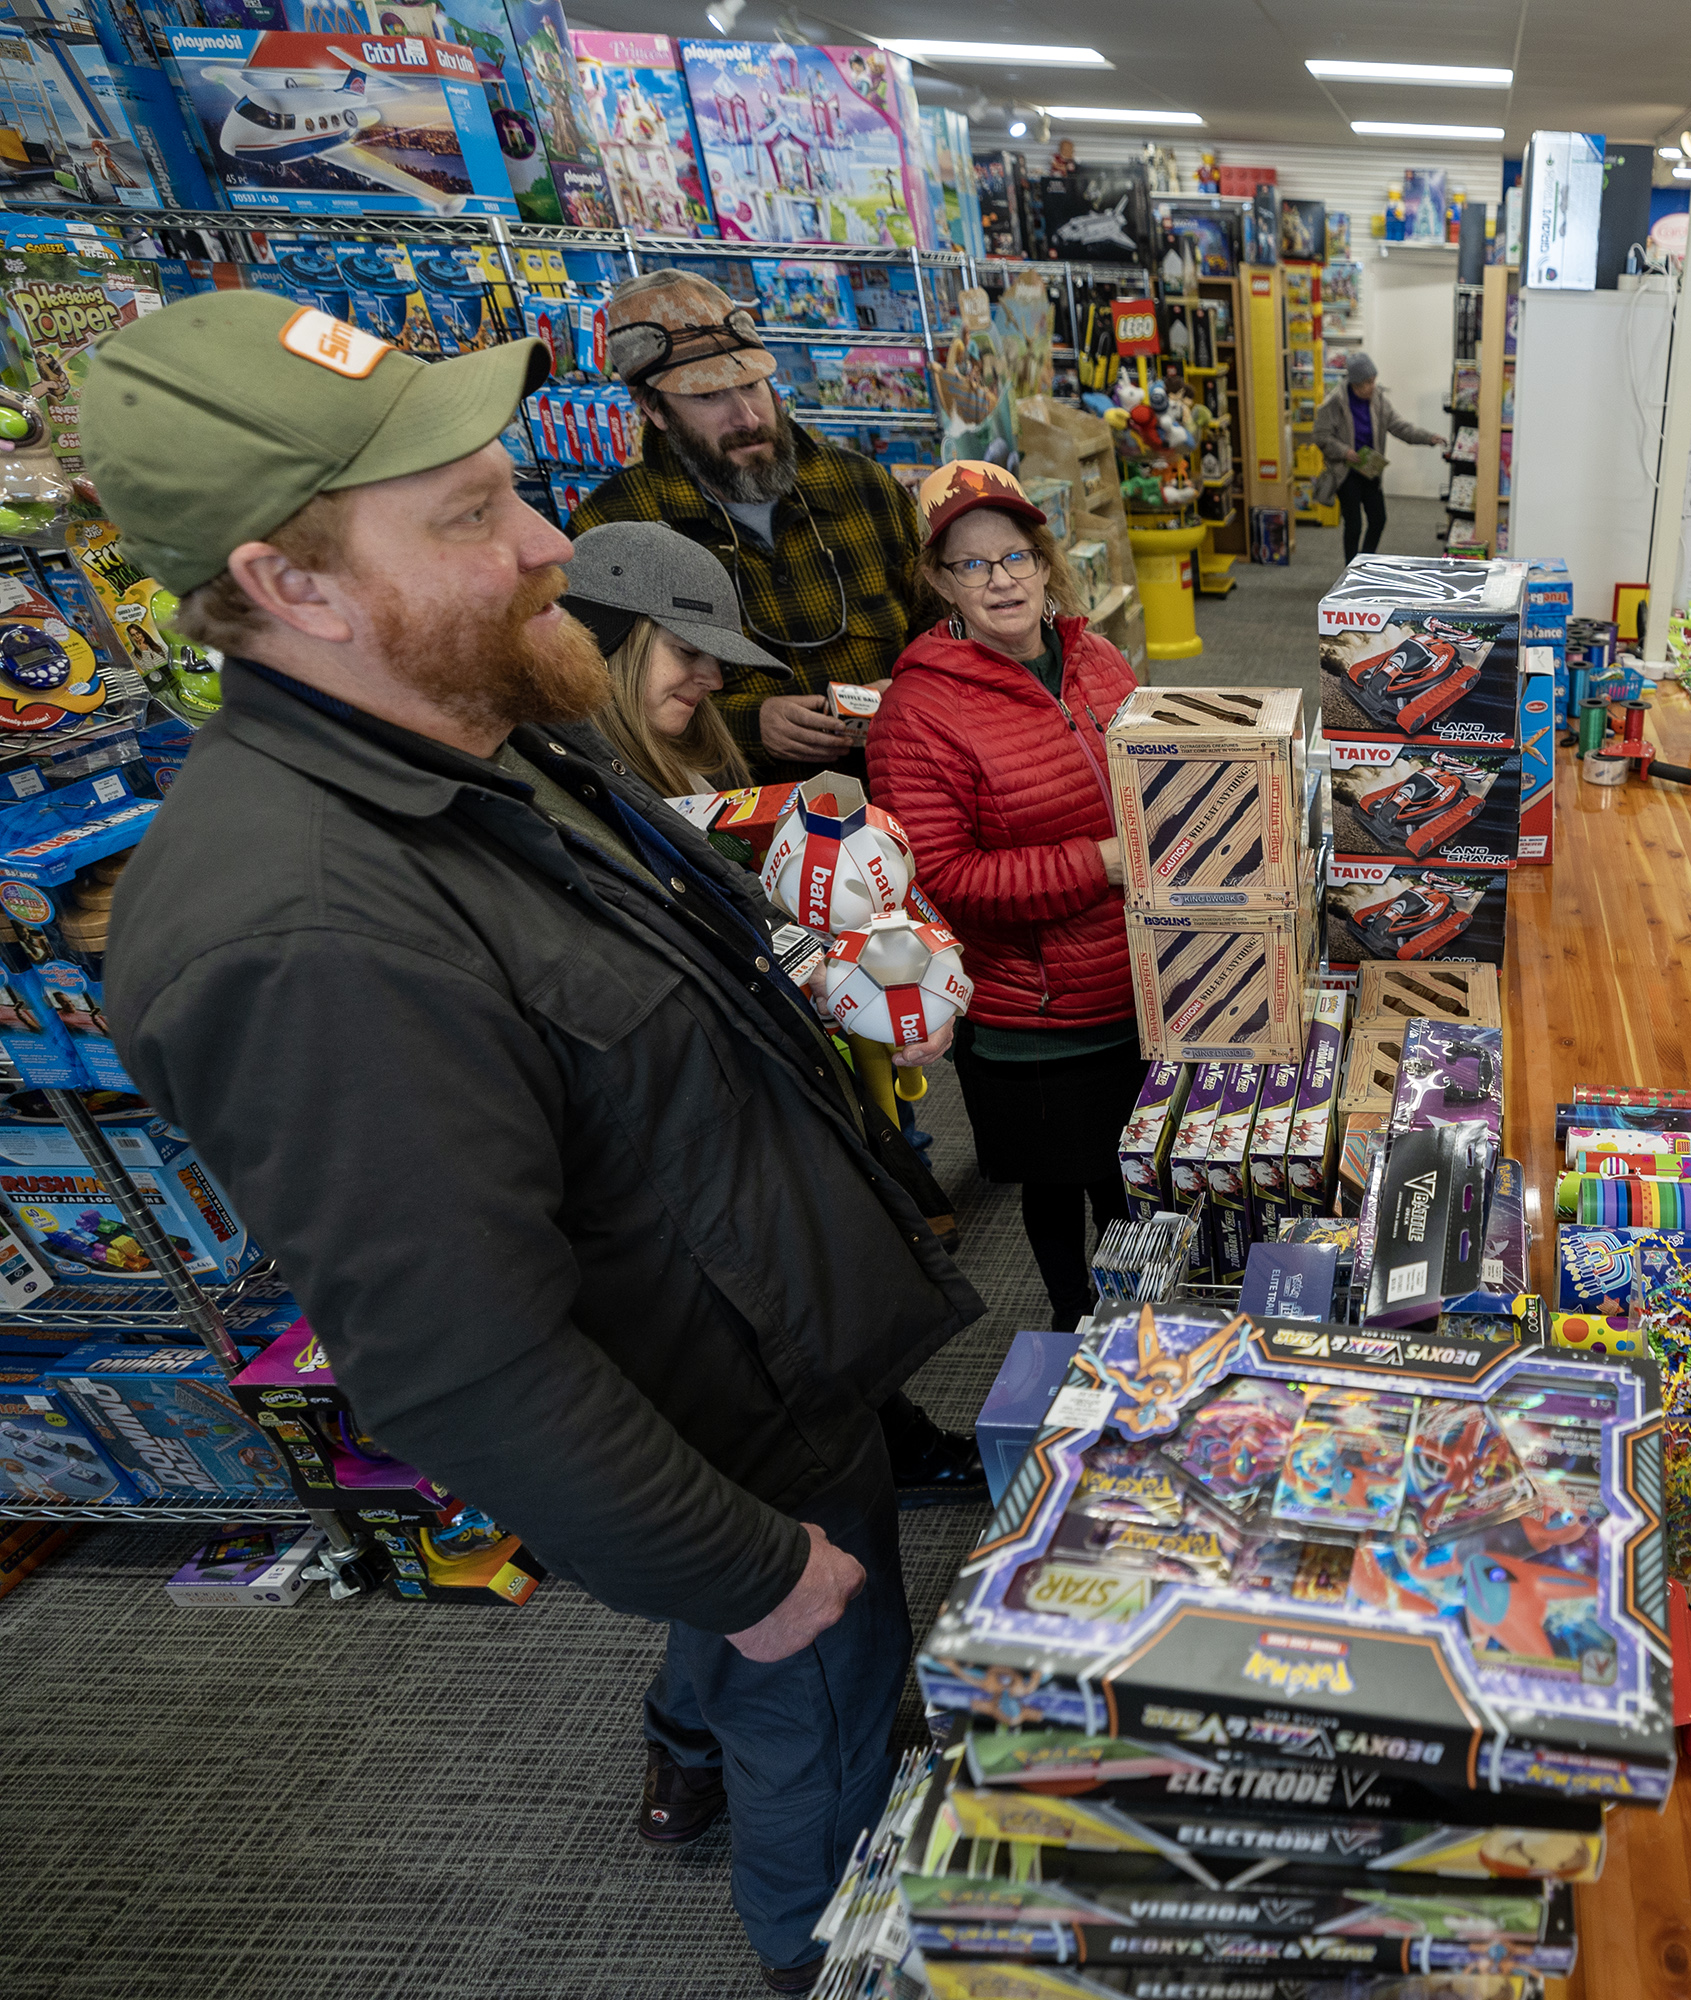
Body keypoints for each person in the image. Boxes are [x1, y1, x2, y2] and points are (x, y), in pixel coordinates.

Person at [84, 291, 980, 1995]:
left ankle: (700, 1736)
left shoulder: (479, 735)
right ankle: (828, 1960)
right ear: (293, 586)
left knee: (767, 1673)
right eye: (471, 517)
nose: (552, 543)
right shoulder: (303, 924)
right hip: (736, 1467)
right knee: (831, 1745)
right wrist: (752, 1573)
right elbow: (457, 1358)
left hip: (765, 1372)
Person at [867, 462, 1144, 1331]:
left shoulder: (1096, 658)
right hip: (1037, 1021)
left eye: (1016, 557)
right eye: (973, 565)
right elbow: (944, 879)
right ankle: (1073, 1334)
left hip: (1143, 986)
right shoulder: (917, 710)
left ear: (1045, 561)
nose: (1002, 581)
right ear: (940, 581)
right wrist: (1100, 863)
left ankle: (1154, 1339)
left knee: (1137, 1187)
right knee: (1063, 1195)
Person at [570, 269, 924, 784]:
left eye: (752, 385)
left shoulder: (863, 486)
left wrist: (911, 686)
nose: (747, 417)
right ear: (653, 409)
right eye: (709, 397)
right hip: (742, 822)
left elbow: (947, 628)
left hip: (913, 786)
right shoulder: (614, 526)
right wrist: (752, 722)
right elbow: (599, 699)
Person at [560, 519, 764, 799]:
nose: (716, 681)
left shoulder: (705, 756)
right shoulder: (569, 785)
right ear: (603, 639)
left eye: (720, 660)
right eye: (689, 652)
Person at [1310, 351, 1443, 561]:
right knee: (1353, 525)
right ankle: (1351, 570)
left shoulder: (1378, 400)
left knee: (1378, 520)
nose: (1372, 387)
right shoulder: (1334, 403)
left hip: (1370, 469)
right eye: (1366, 383)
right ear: (1354, 383)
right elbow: (1321, 435)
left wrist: (1428, 437)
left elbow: (1399, 426)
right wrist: (1345, 451)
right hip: (1346, 473)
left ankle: (1364, 562)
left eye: (1373, 381)